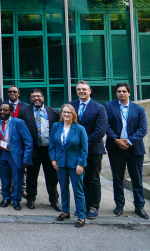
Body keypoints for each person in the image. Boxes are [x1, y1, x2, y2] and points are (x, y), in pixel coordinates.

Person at [105, 83, 148, 219]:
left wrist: (129, 141)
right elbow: (105, 125)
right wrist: (116, 140)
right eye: (119, 91)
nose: (121, 93)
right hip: (115, 148)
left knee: (137, 179)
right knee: (117, 178)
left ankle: (139, 207)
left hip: (134, 148)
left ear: (129, 93)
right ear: (116, 93)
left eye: (124, 91)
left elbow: (143, 129)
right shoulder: (109, 106)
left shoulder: (139, 109)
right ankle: (119, 205)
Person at [18, 89, 61, 211]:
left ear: (43, 97)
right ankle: (31, 199)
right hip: (33, 150)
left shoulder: (53, 112)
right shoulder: (24, 111)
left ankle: (54, 200)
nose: (36, 98)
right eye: (33, 96)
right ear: (30, 99)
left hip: (49, 150)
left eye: (38, 96)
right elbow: (20, 131)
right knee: (31, 177)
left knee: (52, 177)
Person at [71, 80, 108, 219]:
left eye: (84, 89)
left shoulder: (99, 108)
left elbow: (100, 132)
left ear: (90, 91)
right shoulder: (72, 105)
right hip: (74, 150)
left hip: (93, 150)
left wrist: (83, 145)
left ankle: (93, 206)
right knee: (80, 179)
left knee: (93, 179)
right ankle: (82, 206)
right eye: (79, 89)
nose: (81, 91)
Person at [49, 103, 88, 227]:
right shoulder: (56, 126)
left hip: (75, 164)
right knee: (63, 188)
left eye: (68, 112)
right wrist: (53, 159)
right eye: (64, 112)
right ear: (61, 114)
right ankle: (65, 212)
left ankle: (81, 216)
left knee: (78, 191)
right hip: (60, 163)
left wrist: (81, 164)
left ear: (73, 115)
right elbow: (52, 145)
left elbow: (84, 148)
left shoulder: (79, 128)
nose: (66, 114)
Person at [0, 102, 33, 210]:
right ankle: (6, 197)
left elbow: (28, 141)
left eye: (5, 110)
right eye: (1, 110)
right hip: (3, 153)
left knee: (17, 179)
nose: (2, 112)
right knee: (4, 178)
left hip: (16, 155)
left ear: (11, 112)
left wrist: (26, 158)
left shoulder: (19, 122)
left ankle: (16, 200)